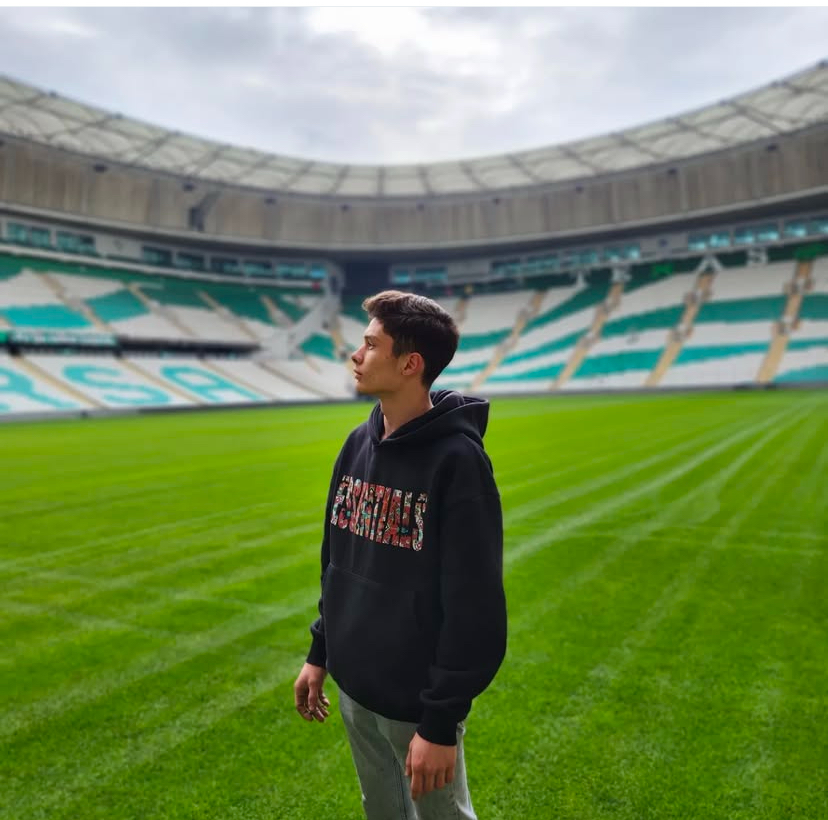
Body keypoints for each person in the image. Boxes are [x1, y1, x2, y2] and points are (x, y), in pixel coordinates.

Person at [293, 290, 507, 820]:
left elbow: (475, 604)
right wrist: (321, 652)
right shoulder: (355, 444)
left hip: (417, 704)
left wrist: (440, 722)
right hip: (355, 687)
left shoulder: (458, 462)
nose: (356, 354)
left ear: (410, 364)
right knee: (382, 811)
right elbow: (336, 562)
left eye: (371, 345)